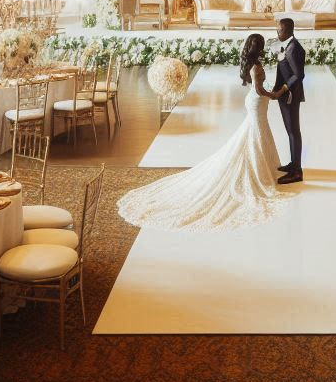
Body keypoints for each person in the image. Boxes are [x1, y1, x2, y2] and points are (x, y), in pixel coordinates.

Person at [116, 33, 287, 232]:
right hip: (258, 102)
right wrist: (278, 93)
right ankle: (259, 173)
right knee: (256, 133)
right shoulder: (256, 67)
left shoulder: (253, 64)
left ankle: (264, 168)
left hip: (255, 103)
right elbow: (259, 90)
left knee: (256, 133)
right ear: (260, 47)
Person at [272, 17, 305, 183]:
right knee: (290, 131)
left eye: (280, 30)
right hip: (286, 94)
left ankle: (297, 172)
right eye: (277, 30)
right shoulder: (290, 45)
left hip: (290, 96)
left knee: (293, 132)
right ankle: (293, 164)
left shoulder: (293, 49)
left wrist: (283, 89)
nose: (277, 32)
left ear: (289, 30)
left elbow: (299, 75)